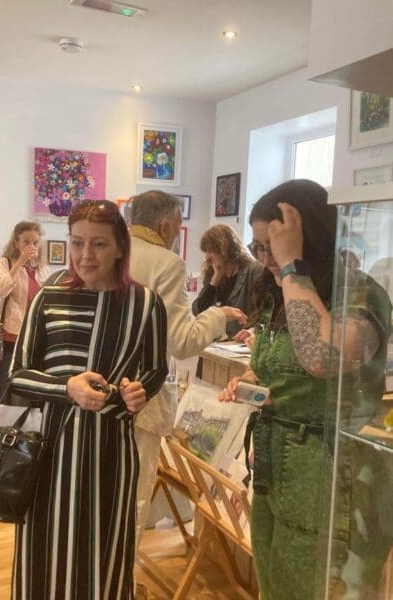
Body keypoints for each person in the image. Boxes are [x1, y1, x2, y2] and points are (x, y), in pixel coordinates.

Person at [220, 179, 391, 599]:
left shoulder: (360, 293)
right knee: (277, 586)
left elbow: (320, 357)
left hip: (333, 474)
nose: (265, 259)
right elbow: (281, 367)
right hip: (278, 468)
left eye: (272, 247)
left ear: (306, 240)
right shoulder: (279, 294)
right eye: (258, 247)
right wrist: (253, 382)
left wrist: (292, 266)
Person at [8, 200, 168, 599]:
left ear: (120, 247)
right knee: (45, 552)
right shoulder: (48, 298)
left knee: (104, 554)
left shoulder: (145, 304)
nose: (85, 255)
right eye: (77, 242)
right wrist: (67, 388)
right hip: (50, 453)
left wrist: (139, 390)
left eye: (98, 244)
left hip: (111, 453)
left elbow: (155, 369)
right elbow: (18, 374)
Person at [128, 190, 246, 544]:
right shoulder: (165, 263)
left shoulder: (113, 251)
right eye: (179, 225)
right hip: (142, 396)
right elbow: (180, 341)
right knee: (134, 497)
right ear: (165, 225)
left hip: (101, 395)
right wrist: (218, 316)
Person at [0, 221, 49, 394]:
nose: (31, 246)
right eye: (26, 241)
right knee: (7, 385)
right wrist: (20, 262)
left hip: (34, 335)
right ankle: (4, 412)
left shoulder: (42, 268)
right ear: (16, 242)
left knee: (31, 386)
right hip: (11, 334)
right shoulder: (6, 263)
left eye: (35, 242)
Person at [192, 224, 263, 338]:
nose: (208, 257)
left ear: (224, 249)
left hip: (240, 342)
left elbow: (263, 313)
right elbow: (198, 311)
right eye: (206, 252)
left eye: (210, 251)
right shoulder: (213, 273)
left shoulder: (254, 271)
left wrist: (252, 331)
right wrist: (215, 279)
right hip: (215, 343)